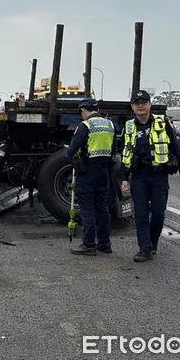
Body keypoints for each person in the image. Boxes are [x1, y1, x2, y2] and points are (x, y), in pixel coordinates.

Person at [121, 90, 180, 262]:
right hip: (139, 175)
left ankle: (153, 241)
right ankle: (144, 248)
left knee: (158, 213)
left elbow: (175, 146)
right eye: (137, 103)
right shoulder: (129, 126)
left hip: (159, 174)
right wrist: (123, 177)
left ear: (150, 105)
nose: (141, 105)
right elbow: (125, 152)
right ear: (132, 107)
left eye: (144, 102)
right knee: (141, 214)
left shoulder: (163, 123)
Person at [67, 98, 116, 256]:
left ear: (83, 110)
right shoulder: (109, 124)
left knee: (88, 209)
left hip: (87, 171)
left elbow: (72, 151)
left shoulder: (85, 126)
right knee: (102, 208)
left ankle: (89, 244)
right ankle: (104, 243)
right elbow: (114, 148)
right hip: (104, 171)